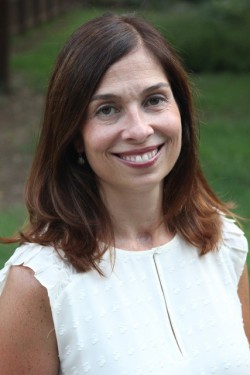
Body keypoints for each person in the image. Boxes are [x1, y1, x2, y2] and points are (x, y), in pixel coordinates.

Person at [0, 12, 249, 375]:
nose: (139, 129)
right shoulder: (39, 283)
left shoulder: (223, 244)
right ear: (74, 137)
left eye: (154, 100)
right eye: (107, 109)